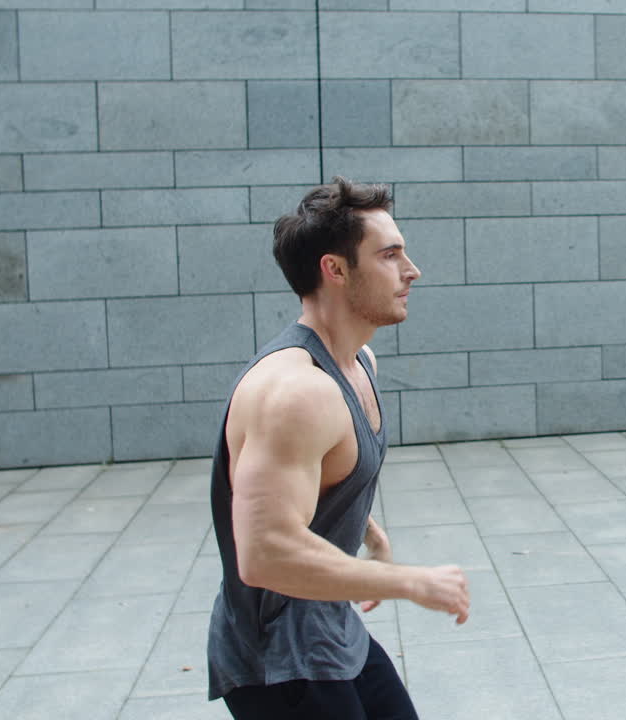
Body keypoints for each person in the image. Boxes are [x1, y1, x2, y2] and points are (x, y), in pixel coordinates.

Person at [207, 177, 470, 719]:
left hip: (329, 627)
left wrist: (364, 528)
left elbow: (324, 474)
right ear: (336, 269)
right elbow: (265, 553)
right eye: (390, 255)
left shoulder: (358, 364)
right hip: (279, 660)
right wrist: (409, 581)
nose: (412, 270)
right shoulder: (296, 392)